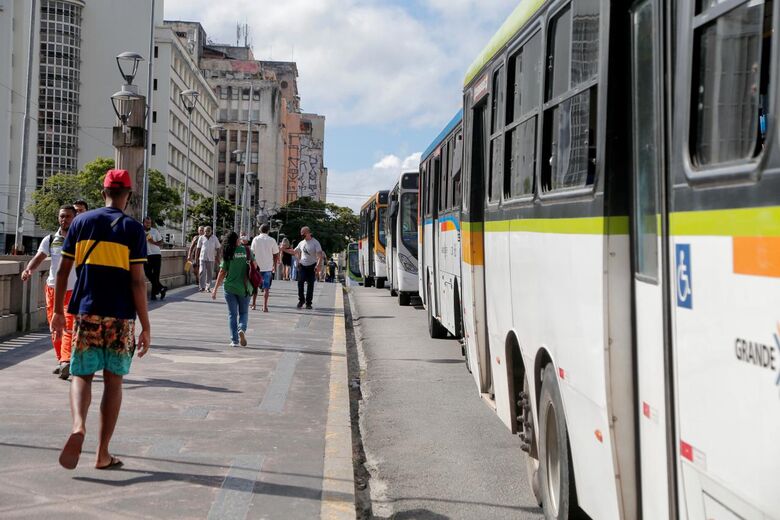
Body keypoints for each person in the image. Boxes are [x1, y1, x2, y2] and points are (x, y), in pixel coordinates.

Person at [51, 169, 151, 470]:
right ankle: (102, 453)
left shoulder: (80, 222)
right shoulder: (133, 230)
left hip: (86, 310)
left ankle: (78, 425)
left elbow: (63, 272)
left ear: (103, 192)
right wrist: (146, 325)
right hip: (120, 315)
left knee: (81, 374)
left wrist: (57, 311)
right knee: (113, 380)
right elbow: (137, 281)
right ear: (129, 196)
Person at [21, 204, 78, 379]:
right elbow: (38, 257)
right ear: (58, 218)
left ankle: (66, 360)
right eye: (62, 216)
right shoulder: (50, 239)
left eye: (68, 216)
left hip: (73, 290)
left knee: (68, 325)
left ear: (74, 218)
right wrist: (29, 270)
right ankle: (61, 359)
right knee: (55, 327)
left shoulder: (81, 239)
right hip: (53, 289)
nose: (64, 219)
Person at [211, 231, 255, 347]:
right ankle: (242, 329)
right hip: (244, 287)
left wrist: (215, 289)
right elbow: (255, 266)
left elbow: (222, 272)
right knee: (244, 312)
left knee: (232, 314)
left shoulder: (228, 253)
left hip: (230, 287)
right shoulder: (247, 251)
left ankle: (234, 340)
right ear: (237, 240)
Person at [282, 226, 323, 309]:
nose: (302, 235)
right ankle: (301, 300)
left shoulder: (315, 243)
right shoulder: (301, 243)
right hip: (302, 266)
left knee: (310, 285)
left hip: (312, 266)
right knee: (300, 283)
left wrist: (318, 265)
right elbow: (294, 251)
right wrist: (284, 250)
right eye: (301, 233)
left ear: (308, 233)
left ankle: (308, 303)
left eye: (303, 233)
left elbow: (319, 255)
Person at [250, 223, 280, 312]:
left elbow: (252, 253)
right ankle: (265, 306)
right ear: (268, 231)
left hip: (257, 267)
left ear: (260, 230)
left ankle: (254, 304)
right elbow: (276, 254)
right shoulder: (272, 240)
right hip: (267, 267)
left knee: (255, 286)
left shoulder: (255, 239)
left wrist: (251, 264)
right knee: (266, 288)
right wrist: (274, 265)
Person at [143, 216, 166, 301]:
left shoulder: (154, 231)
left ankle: (153, 295)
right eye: (146, 222)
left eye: (149, 223)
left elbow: (161, 242)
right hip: (146, 256)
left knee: (156, 276)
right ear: (143, 223)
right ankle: (161, 288)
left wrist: (153, 242)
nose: (148, 224)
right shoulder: (140, 231)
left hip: (156, 255)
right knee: (148, 273)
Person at [196, 226, 220, 292]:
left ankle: (208, 287)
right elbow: (198, 249)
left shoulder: (214, 238)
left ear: (211, 231)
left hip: (211, 258)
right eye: (205, 231)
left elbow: (218, 248)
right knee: (201, 272)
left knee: (210, 273)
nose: (206, 232)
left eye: (208, 231)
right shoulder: (201, 238)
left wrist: (218, 257)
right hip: (202, 257)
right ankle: (201, 287)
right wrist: (196, 258)